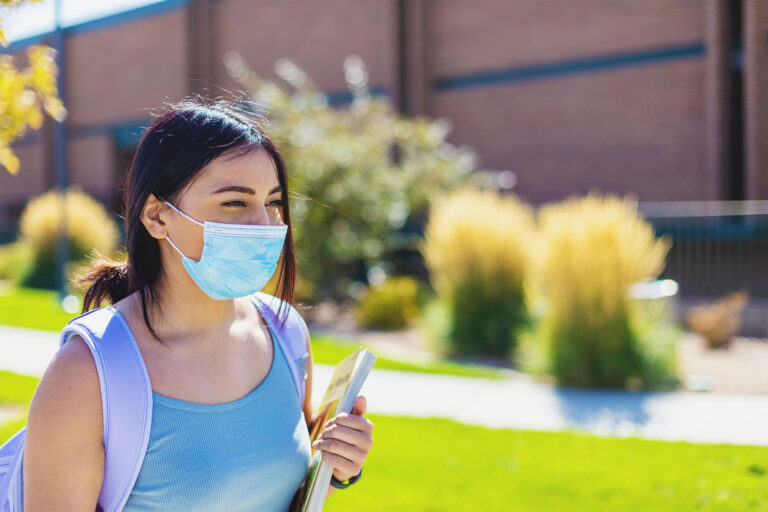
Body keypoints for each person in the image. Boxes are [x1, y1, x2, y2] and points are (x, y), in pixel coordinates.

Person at [22, 98, 374, 511]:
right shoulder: (84, 373)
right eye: (234, 202)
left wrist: (338, 465)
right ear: (156, 217)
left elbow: (279, 493)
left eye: (273, 203)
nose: (264, 225)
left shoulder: (286, 332)